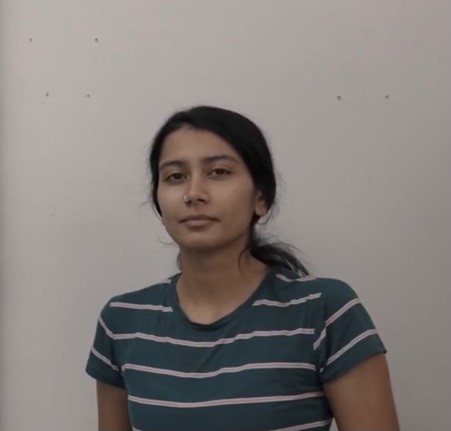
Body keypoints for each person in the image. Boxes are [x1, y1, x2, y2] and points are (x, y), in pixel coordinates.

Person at [86, 106, 399, 431]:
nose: (194, 193)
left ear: (260, 198)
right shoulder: (122, 321)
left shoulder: (324, 311)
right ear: (158, 203)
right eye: (175, 177)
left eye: (218, 172)